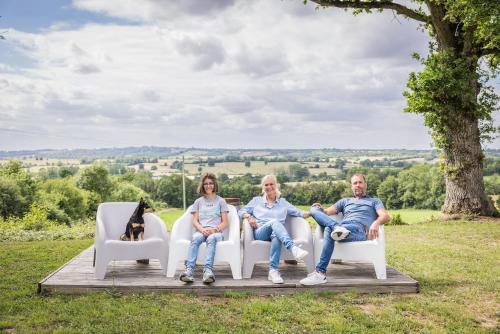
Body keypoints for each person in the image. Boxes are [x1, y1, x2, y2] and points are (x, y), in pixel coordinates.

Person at [300, 173, 390, 286]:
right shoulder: (345, 201)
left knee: (329, 228)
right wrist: (315, 209)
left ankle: (320, 273)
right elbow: (325, 213)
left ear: (365, 184)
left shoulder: (374, 201)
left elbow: (385, 216)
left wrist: (376, 223)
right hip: (342, 229)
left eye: (360, 182)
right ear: (351, 186)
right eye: (355, 183)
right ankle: (336, 228)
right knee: (315, 210)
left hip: (359, 229)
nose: (358, 185)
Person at [238, 174, 311, 284]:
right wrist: (248, 217)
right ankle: (293, 248)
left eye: (271, 184)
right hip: (260, 232)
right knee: (274, 221)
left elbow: (300, 213)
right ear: (263, 187)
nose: (269, 187)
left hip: (276, 233)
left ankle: (273, 271)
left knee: (276, 236)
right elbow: (240, 211)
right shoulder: (256, 201)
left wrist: (314, 210)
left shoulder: (283, 203)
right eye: (266, 185)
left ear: (276, 185)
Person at [179, 173, 228, 284]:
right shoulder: (198, 202)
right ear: (202, 186)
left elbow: (225, 223)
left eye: (210, 183)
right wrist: (202, 229)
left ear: (214, 185)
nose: (208, 186)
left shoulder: (221, 201)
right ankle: (189, 271)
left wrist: (214, 230)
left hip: (216, 233)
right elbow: (195, 221)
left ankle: (208, 272)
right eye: (205, 184)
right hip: (202, 230)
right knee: (195, 238)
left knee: (211, 239)